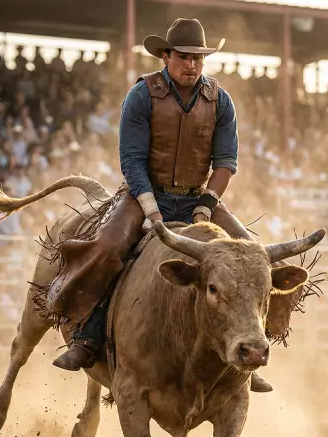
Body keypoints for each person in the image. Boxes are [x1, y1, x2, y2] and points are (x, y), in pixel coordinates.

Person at [51, 18, 274, 392]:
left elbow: (226, 162)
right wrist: (151, 208)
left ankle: (252, 347)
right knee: (107, 250)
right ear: (166, 56)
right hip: (142, 195)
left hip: (196, 198)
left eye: (198, 58)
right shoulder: (142, 95)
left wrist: (206, 204)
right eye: (184, 57)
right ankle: (87, 337)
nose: (191, 64)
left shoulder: (220, 100)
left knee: (259, 260)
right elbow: (132, 160)